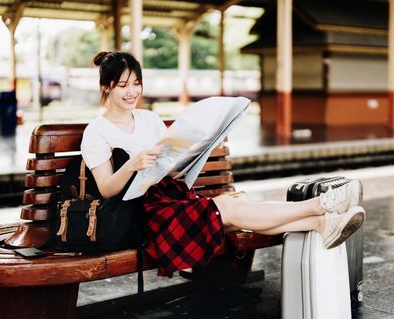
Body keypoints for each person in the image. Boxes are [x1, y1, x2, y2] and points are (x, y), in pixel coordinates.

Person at [81, 51, 366, 277]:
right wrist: (132, 165)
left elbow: (165, 167)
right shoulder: (97, 131)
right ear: (106, 87)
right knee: (228, 209)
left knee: (234, 213)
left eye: (136, 84)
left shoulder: (149, 120)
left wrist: (188, 157)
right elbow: (106, 190)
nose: (132, 92)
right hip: (139, 215)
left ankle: (320, 223)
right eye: (122, 86)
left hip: (167, 199)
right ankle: (321, 206)